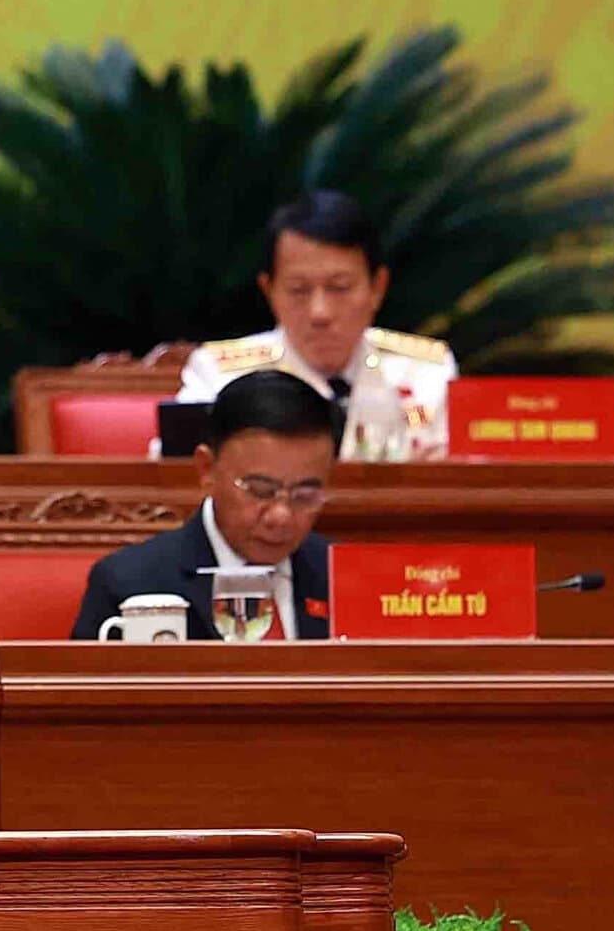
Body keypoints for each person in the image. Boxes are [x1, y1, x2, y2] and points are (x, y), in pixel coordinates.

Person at [177, 190, 457, 458]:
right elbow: (177, 475)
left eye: (340, 288)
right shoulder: (217, 375)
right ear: (269, 290)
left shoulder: (426, 372)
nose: (319, 313)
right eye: (299, 290)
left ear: (377, 288)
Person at [73, 370, 336, 641]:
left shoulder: (344, 578)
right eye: (260, 491)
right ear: (207, 469)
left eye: (304, 495)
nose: (281, 516)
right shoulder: (128, 584)